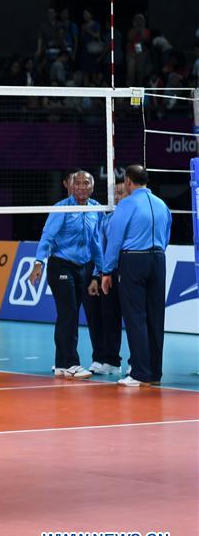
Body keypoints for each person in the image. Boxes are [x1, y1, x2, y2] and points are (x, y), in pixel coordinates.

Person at [100, 165, 171, 386]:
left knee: (135, 318)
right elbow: (167, 234)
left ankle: (139, 373)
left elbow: (115, 240)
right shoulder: (162, 204)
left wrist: (106, 270)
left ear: (129, 181)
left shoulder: (126, 204)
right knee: (155, 318)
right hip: (158, 260)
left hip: (133, 261)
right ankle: (155, 374)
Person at [30, 171, 103, 379]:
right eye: (77, 183)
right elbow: (47, 237)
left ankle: (60, 363)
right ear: (70, 186)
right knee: (68, 313)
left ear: (92, 186)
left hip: (83, 267)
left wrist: (99, 272)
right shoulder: (62, 208)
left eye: (85, 183)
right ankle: (71, 363)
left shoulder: (96, 209)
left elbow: (96, 242)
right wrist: (38, 263)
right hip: (60, 266)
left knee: (68, 315)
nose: (81, 186)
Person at [86, 179, 125, 376]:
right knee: (109, 317)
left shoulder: (130, 216)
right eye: (115, 193)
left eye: (121, 192)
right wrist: (97, 275)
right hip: (108, 273)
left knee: (134, 319)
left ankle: (137, 363)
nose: (117, 196)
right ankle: (111, 361)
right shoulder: (106, 219)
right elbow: (100, 248)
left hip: (128, 272)